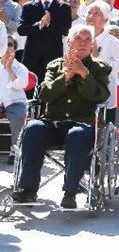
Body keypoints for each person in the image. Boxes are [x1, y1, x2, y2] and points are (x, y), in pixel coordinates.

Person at [11, 24, 111, 208]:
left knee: (77, 135)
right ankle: (28, 190)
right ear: (69, 42)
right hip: (53, 122)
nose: (82, 43)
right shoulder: (55, 65)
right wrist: (65, 77)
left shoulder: (99, 68)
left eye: (87, 39)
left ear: (92, 45)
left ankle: (70, 191)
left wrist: (84, 74)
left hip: (82, 123)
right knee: (33, 129)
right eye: (78, 39)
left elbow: (101, 96)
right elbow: (44, 94)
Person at [17, 0, 72, 83]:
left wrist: (49, 24)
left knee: (51, 88)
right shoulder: (28, 7)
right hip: (32, 55)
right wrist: (39, 25)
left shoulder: (64, 7)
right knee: (30, 89)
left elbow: (65, 30)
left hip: (53, 55)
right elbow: (21, 30)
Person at [85, 0, 119, 116]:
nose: (90, 17)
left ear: (106, 19)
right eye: (89, 13)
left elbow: (116, 68)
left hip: (104, 93)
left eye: (96, 13)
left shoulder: (113, 42)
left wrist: (96, 57)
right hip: (82, 92)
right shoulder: (80, 38)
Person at [1, 32, 30, 164]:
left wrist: (9, 69)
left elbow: (21, 84)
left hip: (15, 102)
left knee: (19, 115)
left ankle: (15, 150)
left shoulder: (21, 68)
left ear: (15, 48)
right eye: (3, 44)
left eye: (10, 44)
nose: (6, 47)